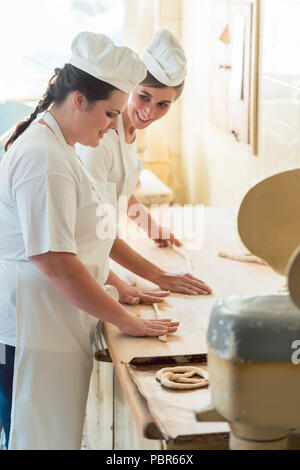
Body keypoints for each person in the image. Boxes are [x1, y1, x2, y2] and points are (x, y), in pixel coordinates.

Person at [0, 31, 179, 450]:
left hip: (50, 319)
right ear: (78, 99)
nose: (116, 125)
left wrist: (120, 285)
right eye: (111, 114)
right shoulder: (45, 159)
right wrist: (125, 318)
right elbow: (57, 263)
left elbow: (87, 232)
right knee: (33, 436)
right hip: (29, 325)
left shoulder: (58, 143)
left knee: (50, 435)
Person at [77, 30, 213, 305]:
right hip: (82, 263)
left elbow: (117, 192)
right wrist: (160, 275)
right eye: (144, 97)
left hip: (98, 255)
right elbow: (91, 228)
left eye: (163, 104)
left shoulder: (129, 129)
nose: (150, 112)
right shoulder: (99, 139)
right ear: (129, 89)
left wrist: (151, 228)